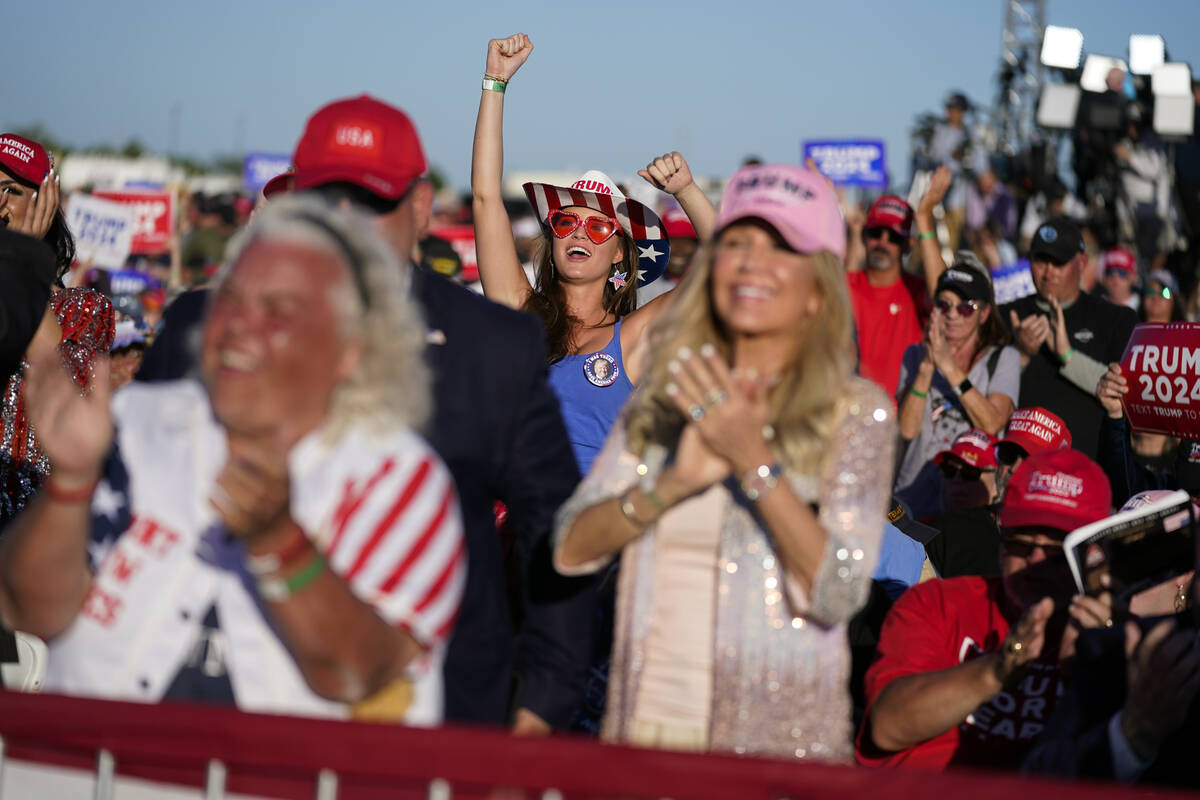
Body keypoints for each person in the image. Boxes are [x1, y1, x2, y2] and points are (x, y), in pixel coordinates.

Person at [0, 197, 465, 722]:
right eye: (231, 300)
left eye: (278, 310)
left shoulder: (398, 478)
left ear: (348, 347)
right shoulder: (136, 424)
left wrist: (281, 546)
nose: (241, 325)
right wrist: (70, 484)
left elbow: (361, 674)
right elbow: (30, 610)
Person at [263, 94, 593, 733]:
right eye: (324, 198)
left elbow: (556, 540)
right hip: (258, 701)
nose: (345, 220)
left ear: (417, 208)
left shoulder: (492, 345)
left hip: (440, 715)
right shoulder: (211, 329)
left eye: (370, 199)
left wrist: (541, 706)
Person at [553, 163, 895, 761]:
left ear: (818, 283)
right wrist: (670, 485)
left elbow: (840, 593)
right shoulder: (667, 390)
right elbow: (570, 550)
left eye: (781, 246)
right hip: (645, 743)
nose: (752, 262)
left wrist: (753, 462)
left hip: (775, 760)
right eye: (736, 242)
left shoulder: (855, 412)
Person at [471, 33, 714, 474]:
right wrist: (495, 83)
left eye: (599, 226)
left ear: (621, 252)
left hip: (596, 529)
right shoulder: (521, 310)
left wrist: (687, 192)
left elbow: (724, 269)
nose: (578, 232)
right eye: (566, 222)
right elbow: (486, 198)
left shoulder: (635, 337)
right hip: (518, 525)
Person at [858, 449, 1113, 770]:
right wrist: (997, 670)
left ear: (1094, 553)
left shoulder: (1114, 633)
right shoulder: (937, 603)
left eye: (1057, 551)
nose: (1035, 561)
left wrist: (1098, 671)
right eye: (1020, 544)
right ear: (1001, 535)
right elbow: (887, 727)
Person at [0, 133, 114, 529]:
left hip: (30, 533)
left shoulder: (83, 308)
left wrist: (18, 264)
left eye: (10, 190)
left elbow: (64, 379)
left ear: (46, 205)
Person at [1002, 218, 1138, 461]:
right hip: (1019, 470)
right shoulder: (1006, 315)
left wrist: (1068, 356)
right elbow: (986, 398)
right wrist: (1018, 354)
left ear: (1083, 262)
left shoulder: (1115, 319)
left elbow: (1128, 395)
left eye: (1059, 262)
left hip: (1088, 472)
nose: (1049, 271)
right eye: (1041, 260)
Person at [894, 259, 1018, 519]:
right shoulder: (914, 355)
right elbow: (906, 429)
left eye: (965, 308)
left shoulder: (1003, 358)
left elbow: (992, 423)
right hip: (912, 505)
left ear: (984, 314)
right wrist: (928, 367)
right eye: (944, 305)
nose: (952, 314)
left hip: (970, 509)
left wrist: (949, 368)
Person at [844, 169, 950, 396]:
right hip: (851, 416)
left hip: (904, 419)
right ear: (864, 236)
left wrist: (923, 220)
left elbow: (945, 296)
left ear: (908, 244)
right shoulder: (845, 284)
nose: (882, 242)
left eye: (893, 237)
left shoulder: (917, 290)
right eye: (875, 233)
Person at [1098, 247, 1139, 311]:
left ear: (1133, 276)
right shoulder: (1095, 306)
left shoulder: (1146, 306)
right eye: (1110, 272)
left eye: (1122, 272)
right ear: (1103, 277)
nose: (1115, 278)